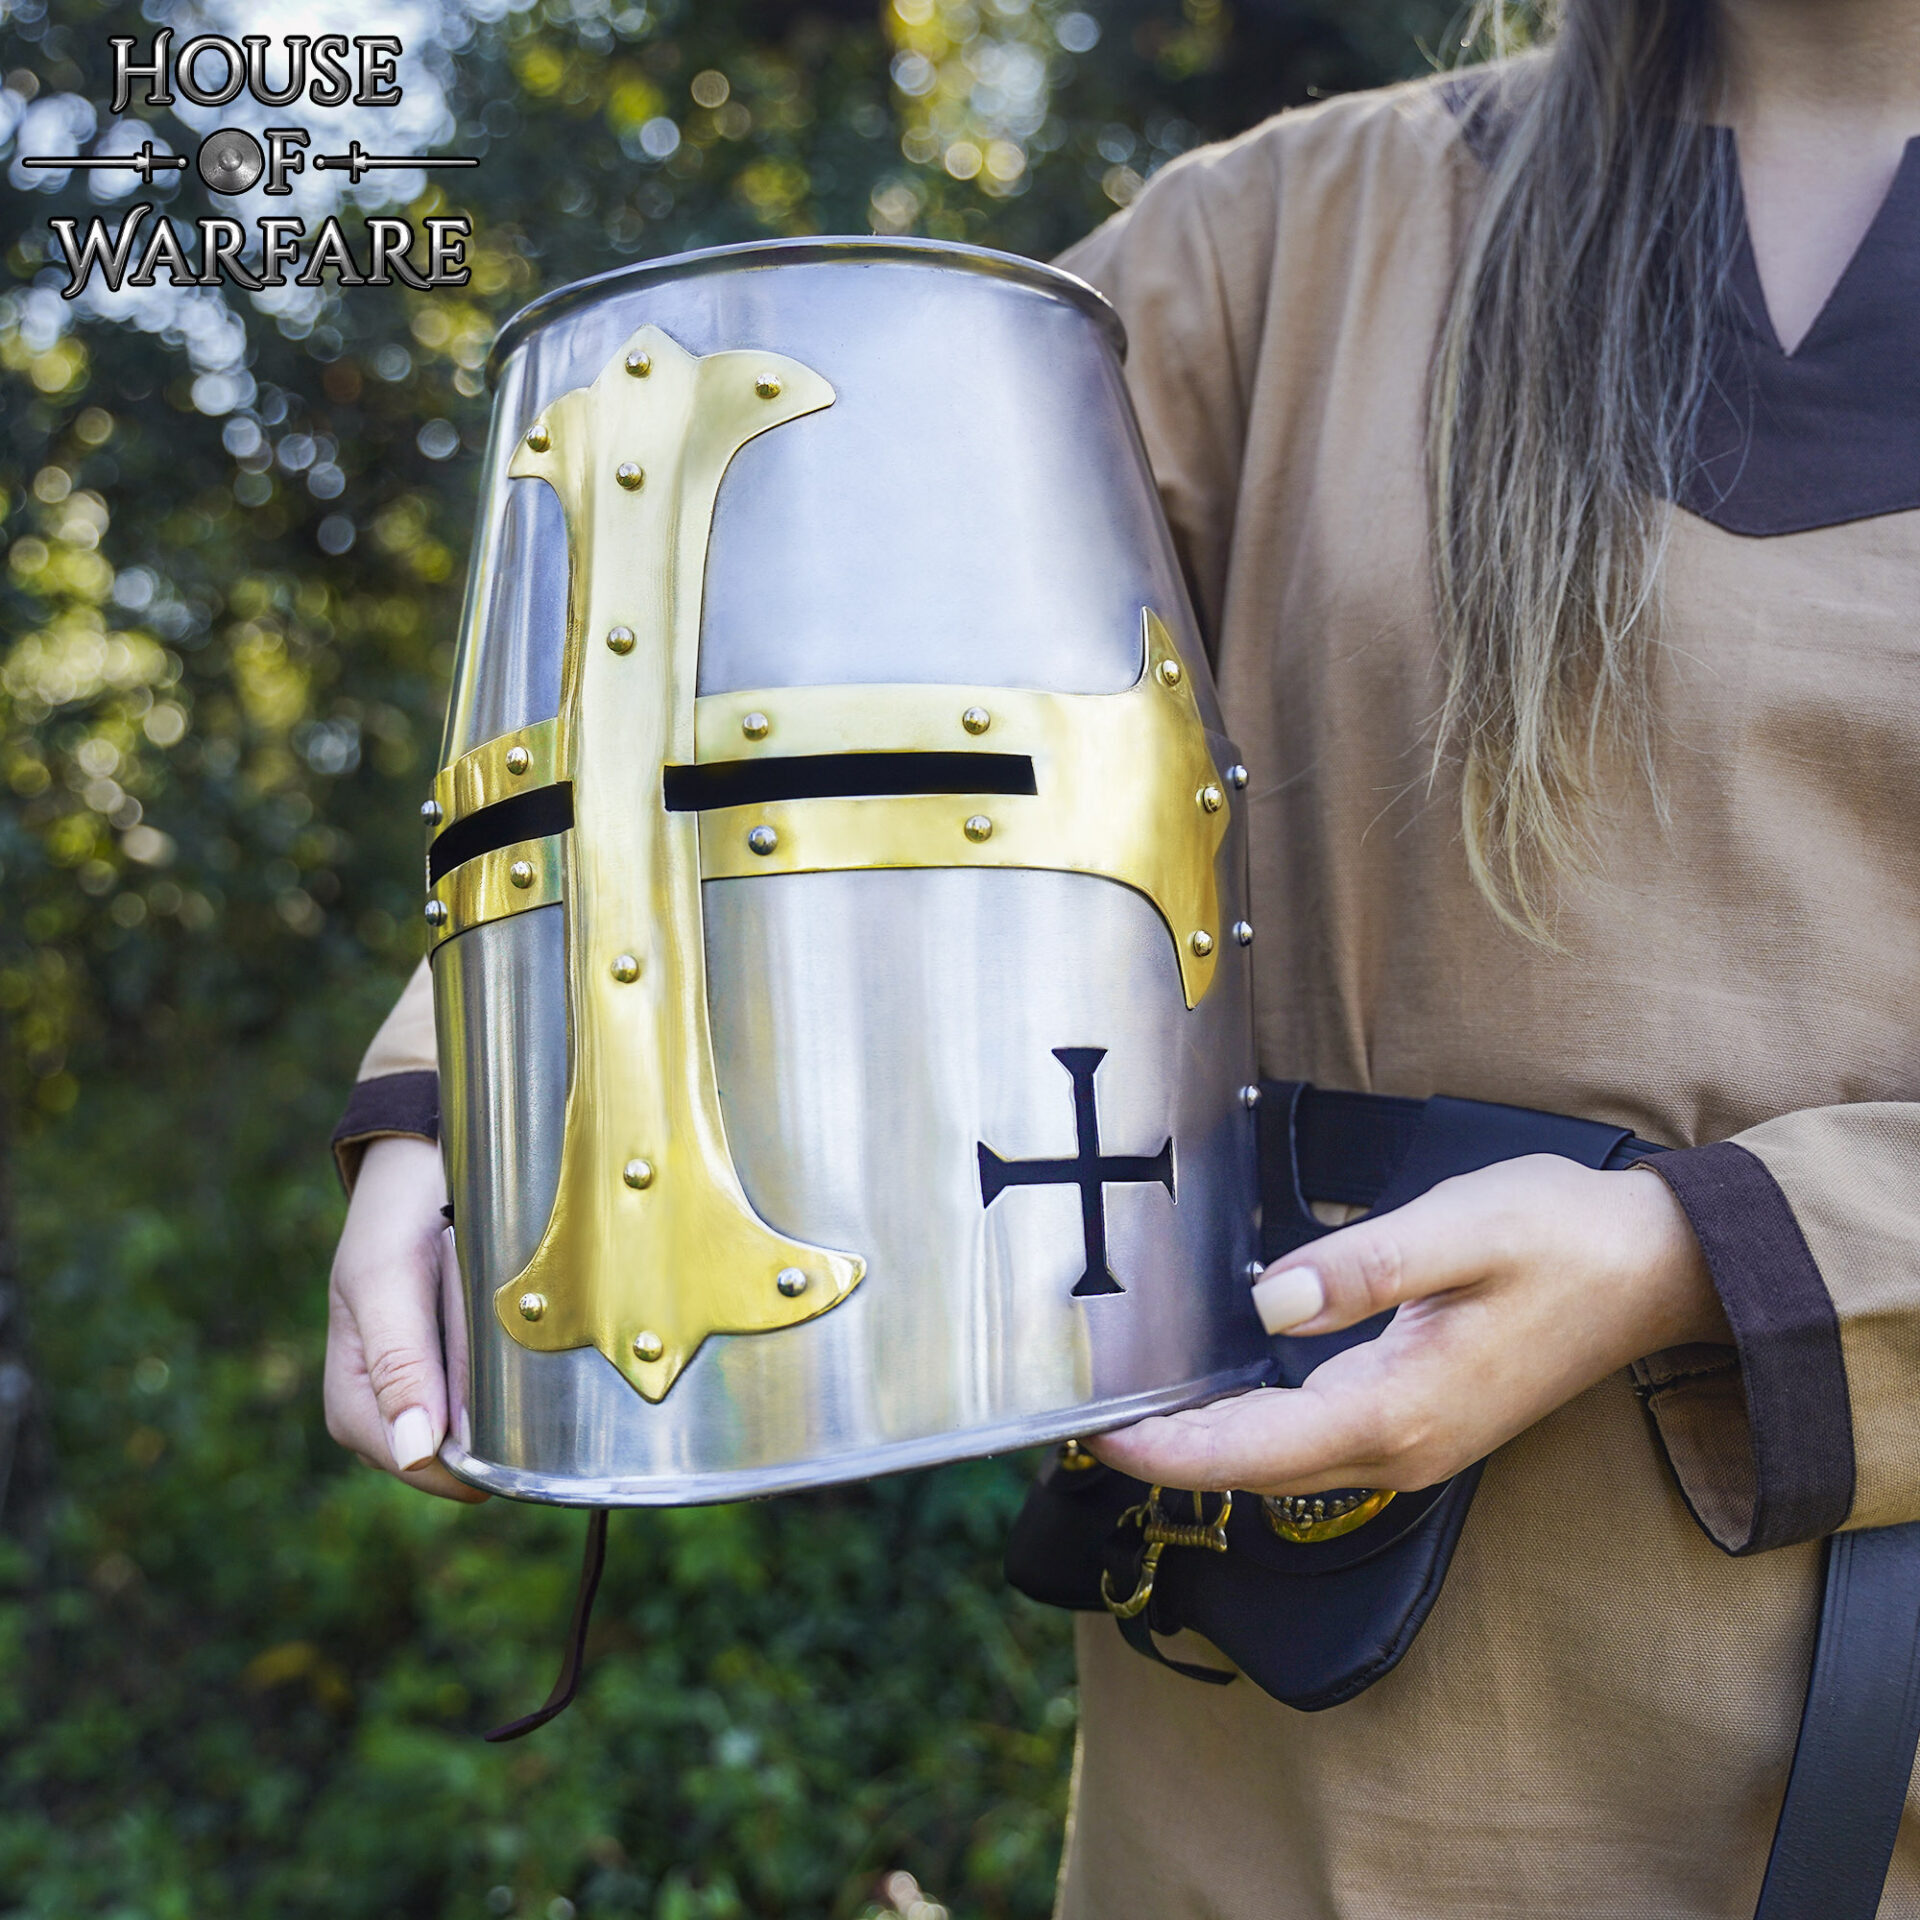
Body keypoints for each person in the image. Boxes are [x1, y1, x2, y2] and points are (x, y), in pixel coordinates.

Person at [325, 0, 1920, 1908]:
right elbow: (714, 687)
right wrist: (475, 1103)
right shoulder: (1281, 237)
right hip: (1258, 1783)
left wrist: (1698, 1254)